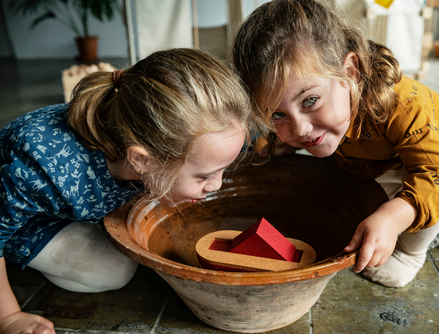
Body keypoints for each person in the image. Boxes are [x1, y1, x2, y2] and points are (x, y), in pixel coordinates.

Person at [232, 0, 439, 288]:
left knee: (433, 187)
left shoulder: (401, 104)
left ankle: (410, 256)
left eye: (310, 101)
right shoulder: (317, 118)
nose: (301, 128)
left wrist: (393, 218)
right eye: (278, 114)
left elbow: (436, 173)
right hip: (373, 153)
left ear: (350, 72)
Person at [0, 48, 253, 334]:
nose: (217, 185)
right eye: (205, 176)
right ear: (141, 160)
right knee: (114, 270)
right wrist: (8, 316)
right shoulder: (45, 167)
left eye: (223, 170)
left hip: (73, 203)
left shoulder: (181, 137)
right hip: (24, 223)